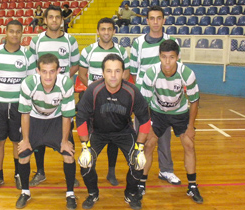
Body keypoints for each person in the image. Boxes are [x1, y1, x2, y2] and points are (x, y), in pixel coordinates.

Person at [76, 54, 151, 210]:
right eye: (109, 71)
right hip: (97, 132)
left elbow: (145, 121)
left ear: (124, 73)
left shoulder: (132, 91)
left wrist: (140, 148)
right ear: (103, 73)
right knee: (85, 164)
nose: (113, 75)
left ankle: (130, 194)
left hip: (123, 132)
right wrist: (84, 147)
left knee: (138, 163)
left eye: (117, 71)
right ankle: (93, 193)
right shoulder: (93, 90)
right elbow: (81, 119)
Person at [141, 39, 203, 204]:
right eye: (164, 57)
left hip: (180, 112)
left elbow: (195, 100)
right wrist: (148, 126)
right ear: (159, 56)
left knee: (189, 144)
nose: (167, 62)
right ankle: (141, 183)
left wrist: (190, 126)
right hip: (157, 112)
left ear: (178, 57)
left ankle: (192, 186)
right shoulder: (151, 73)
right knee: (149, 144)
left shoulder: (187, 73)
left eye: (172, 57)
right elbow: (143, 103)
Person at [130, 5, 181, 195]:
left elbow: (175, 67)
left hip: (164, 99)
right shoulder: (138, 43)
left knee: (164, 137)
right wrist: (141, 97)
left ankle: (166, 170)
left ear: (164, 20)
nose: (156, 22)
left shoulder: (171, 41)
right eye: (152, 18)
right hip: (144, 99)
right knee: (142, 138)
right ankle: (138, 173)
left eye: (159, 18)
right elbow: (134, 73)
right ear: (147, 20)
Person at [16, 53, 77, 209]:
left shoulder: (66, 83)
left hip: (57, 119)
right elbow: (25, 113)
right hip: (35, 119)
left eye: (52, 71)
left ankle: (70, 193)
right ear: (37, 71)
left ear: (58, 71)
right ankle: (25, 192)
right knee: (23, 155)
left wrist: (64, 141)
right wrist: (26, 140)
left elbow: (67, 115)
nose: (48, 75)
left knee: (68, 154)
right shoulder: (28, 84)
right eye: (44, 71)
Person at [29, 5, 80, 187]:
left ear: (62, 19)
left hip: (63, 100)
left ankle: (70, 175)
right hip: (41, 100)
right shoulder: (37, 41)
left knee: (68, 138)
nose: (54, 20)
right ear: (45, 20)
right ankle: (40, 172)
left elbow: (75, 65)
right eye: (50, 17)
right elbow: (32, 67)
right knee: (38, 140)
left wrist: (63, 81)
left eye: (57, 17)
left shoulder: (70, 40)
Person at [78, 17, 130, 186]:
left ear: (114, 31)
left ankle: (111, 172)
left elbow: (126, 75)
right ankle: (89, 169)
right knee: (94, 136)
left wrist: (114, 90)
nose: (106, 32)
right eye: (103, 29)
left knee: (113, 136)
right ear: (98, 31)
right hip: (94, 102)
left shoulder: (122, 51)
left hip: (115, 100)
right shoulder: (88, 51)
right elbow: (82, 74)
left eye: (109, 29)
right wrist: (95, 91)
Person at [0, 20, 36, 192]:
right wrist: (2, 91)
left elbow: (30, 81)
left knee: (18, 141)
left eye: (18, 32)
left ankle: (18, 175)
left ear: (22, 34)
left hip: (19, 106)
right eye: (11, 31)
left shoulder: (27, 55)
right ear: (5, 33)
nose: (15, 35)